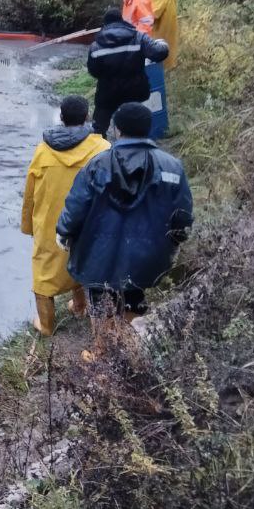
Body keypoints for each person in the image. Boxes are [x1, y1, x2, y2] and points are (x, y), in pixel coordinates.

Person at [56, 102, 194, 360]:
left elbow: (76, 207)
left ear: (117, 130)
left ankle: (102, 352)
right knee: (135, 291)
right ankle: (133, 344)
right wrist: (176, 240)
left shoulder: (97, 165)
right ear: (148, 128)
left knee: (99, 297)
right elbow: (183, 215)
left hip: (99, 252)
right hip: (148, 253)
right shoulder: (172, 167)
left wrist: (63, 232)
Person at [21, 95, 110, 338]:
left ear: (61, 117)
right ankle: (81, 306)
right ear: (87, 116)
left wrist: (28, 226)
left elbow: (30, 193)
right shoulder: (102, 148)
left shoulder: (43, 152)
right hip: (90, 222)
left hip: (51, 223)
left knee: (45, 272)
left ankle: (47, 327)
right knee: (85, 260)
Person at [87, 5, 170, 136]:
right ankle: (136, 145)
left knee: (99, 128)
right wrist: (163, 45)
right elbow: (158, 53)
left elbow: (93, 71)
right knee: (135, 122)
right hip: (135, 91)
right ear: (121, 20)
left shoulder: (96, 46)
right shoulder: (138, 37)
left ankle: (100, 149)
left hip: (108, 94)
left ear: (105, 23)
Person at [142, 0, 178, 70]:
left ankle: (164, 70)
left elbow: (154, 14)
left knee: (162, 47)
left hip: (163, 25)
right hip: (167, 21)